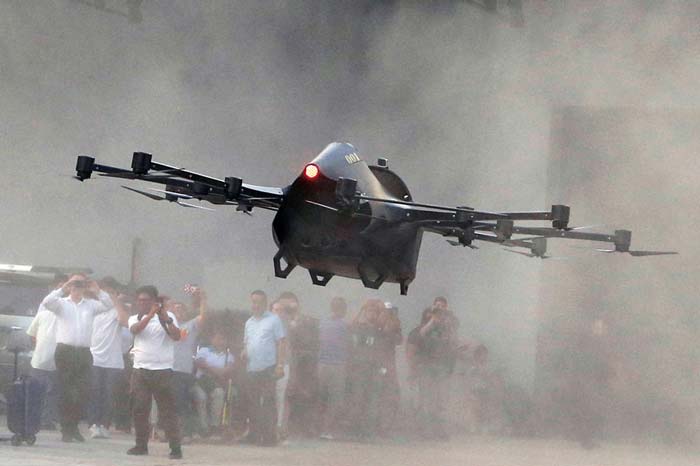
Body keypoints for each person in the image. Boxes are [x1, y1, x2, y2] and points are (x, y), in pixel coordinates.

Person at [40, 274, 113, 442]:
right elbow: (47, 302)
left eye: (80, 284)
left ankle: (73, 426)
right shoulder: (61, 304)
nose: (77, 287)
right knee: (65, 391)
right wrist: (63, 288)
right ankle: (67, 429)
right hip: (65, 351)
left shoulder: (91, 305)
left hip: (83, 352)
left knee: (83, 392)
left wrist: (97, 290)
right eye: (75, 284)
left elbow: (108, 305)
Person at [126, 285, 183, 459]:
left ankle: (175, 448)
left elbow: (177, 336)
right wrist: (150, 315)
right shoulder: (134, 318)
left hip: (162, 370)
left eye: (147, 300)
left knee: (167, 411)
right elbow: (135, 330)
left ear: (154, 301)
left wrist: (165, 317)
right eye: (140, 300)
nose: (143, 303)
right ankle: (141, 445)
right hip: (141, 370)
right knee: (140, 408)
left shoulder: (168, 317)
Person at [406, 302, 458, 440]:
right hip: (425, 368)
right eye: (432, 314)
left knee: (439, 401)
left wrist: (446, 324)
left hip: (440, 369)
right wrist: (433, 321)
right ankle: (423, 429)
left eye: (439, 314)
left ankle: (437, 429)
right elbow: (421, 335)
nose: (437, 317)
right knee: (425, 400)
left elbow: (452, 345)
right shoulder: (421, 330)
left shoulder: (444, 330)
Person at [242, 290, 287, 446]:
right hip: (252, 368)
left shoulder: (274, 320)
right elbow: (247, 343)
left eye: (259, 302)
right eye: (253, 302)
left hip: (269, 367)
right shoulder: (248, 323)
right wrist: (244, 352)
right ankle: (254, 435)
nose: (256, 305)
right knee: (253, 402)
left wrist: (280, 365)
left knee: (268, 402)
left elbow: (281, 342)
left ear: (265, 303)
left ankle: (269, 438)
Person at [88, 277, 130, 439]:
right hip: (94, 358)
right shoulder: (93, 308)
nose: (108, 295)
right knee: (95, 392)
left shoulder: (117, 310)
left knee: (109, 394)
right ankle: (93, 424)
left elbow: (125, 321)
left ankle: (104, 425)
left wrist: (115, 300)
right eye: (106, 291)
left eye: (112, 292)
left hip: (113, 360)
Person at [26, 274, 67, 431]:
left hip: (54, 361)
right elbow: (32, 334)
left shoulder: (65, 315)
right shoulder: (43, 314)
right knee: (42, 391)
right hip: (42, 360)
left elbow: (31, 334)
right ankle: (39, 419)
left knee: (48, 392)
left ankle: (44, 419)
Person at [281, 291, 320, 438]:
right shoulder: (274, 320)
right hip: (280, 363)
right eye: (285, 306)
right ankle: (282, 427)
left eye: (291, 306)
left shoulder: (307, 322)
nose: (288, 310)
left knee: (299, 396)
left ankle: (300, 428)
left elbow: (311, 343)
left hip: (300, 366)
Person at [171, 288, 208, 440]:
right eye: (175, 308)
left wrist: (203, 299)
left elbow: (203, 317)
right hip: (166, 370)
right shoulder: (165, 326)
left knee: (182, 401)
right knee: (170, 402)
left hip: (183, 371)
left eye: (181, 308)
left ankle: (186, 432)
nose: (178, 311)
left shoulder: (190, 326)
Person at [347, 299, 385, 440]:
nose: (372, 314)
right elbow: (350, 325)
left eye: (374, 312)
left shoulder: (379, 328)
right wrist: (361, 309)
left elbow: (388, 326)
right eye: (370, 311)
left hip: (374, 369)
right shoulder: (360, 326)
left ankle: (368, 430)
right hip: (359, 368)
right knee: (358, 398)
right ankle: (356, 429)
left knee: (373, 400)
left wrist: (383, 309)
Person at [317, 297, 350, 440]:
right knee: (333, 400)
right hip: (335, 365)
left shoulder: (323, 323)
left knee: (324, 398)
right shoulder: (344, 325)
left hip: (325, 364)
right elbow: (348, 345)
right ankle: (325, 429)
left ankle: (321, 429)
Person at [192, 329, 234, 437]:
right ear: (212, 340)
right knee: (201, 397)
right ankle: (203, 427)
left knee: (219, 394)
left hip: (216, 384)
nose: (220, 341)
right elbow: (200, 363)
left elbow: (228, 369)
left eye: (223, 339)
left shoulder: (229, 356)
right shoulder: (204, 350)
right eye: (217, 338)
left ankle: (214, 426)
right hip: (201, 382)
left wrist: (210, 368)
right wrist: (216, 371)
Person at [376, 302, 403, 437]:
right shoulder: (375, 326)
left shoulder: (394, 327)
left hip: (389, 365)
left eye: (390, 312)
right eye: (385, 311)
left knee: (391, 395)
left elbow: (399, 341)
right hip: (377, 365)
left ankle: (385, 427)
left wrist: (394, 327)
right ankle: (376, 425)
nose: (388, 314)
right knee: (378, 394)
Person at [270, 300, 291, 440]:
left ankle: (278, 427)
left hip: (283, 365)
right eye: (275, 310)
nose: (278, 313)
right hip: (266, 365)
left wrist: (282, 365)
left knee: (279, 397)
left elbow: (289, 349)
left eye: (281, 310)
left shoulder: (287, 329)